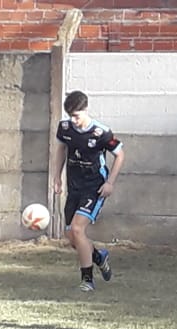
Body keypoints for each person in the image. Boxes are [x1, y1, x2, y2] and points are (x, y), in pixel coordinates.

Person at [50, 91, 125, 292]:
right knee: (72, 237)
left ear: (85, 110)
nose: (73, 121)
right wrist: (57, 177)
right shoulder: (65, 128)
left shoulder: (101, 133)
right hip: (74, 186)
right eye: (70, 116)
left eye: (77, 116)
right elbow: (61, 149)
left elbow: (120, 155)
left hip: (94, 187)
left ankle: (87, 280)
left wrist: (110, 183)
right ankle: (99, 257)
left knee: (77, 229)